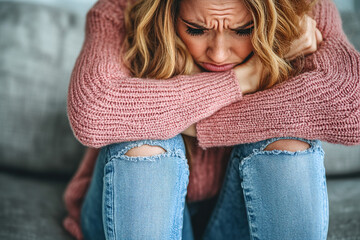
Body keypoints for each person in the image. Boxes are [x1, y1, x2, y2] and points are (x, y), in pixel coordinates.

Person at [63, 0, 360, 239]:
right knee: (145, 141)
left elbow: (352, 106)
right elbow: (91, 111)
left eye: (242, 30)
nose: (218, 54)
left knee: (287, 142)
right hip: (129, 207)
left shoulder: (302, 12)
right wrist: (246, 77)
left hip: (243, 213)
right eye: (196, 29)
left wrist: (194, 123)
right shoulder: (121, 10)